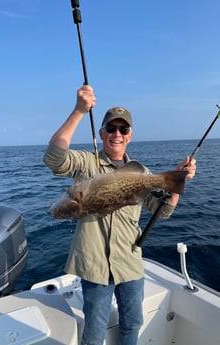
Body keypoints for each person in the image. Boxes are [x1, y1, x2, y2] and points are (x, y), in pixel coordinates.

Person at [43, 85, 196, 345]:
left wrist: (177, 181)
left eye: (123, 129)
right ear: (101, 132)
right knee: (94, 330)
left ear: (130, 135)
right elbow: (54, 158)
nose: (117, 134)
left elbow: (164, 210)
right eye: (111, 128)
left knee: (133, 322)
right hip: (95, 266)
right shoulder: (87, 163)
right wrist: (80, 111)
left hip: (130, 261)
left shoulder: (141, 171)